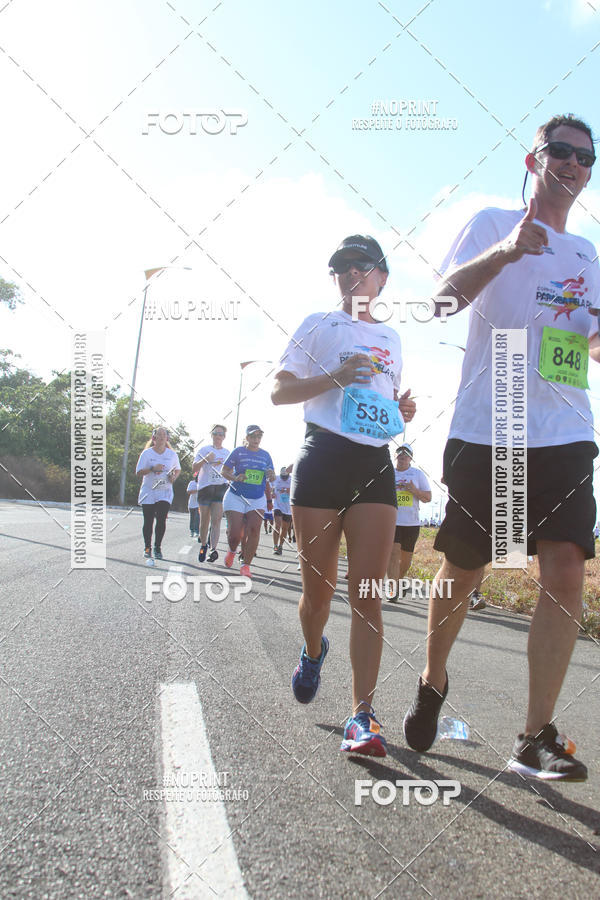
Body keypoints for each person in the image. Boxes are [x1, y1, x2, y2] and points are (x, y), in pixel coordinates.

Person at [403, 115, 600, 781]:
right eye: (562, 152)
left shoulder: (587, 257)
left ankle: (533, 735)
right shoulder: (491, 222)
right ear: (533, 158)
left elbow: (591, 341)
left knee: (566, 568)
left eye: (586, 157)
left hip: (566, 428)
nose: (574, 164)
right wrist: (509, 251)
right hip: (497, 422)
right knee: (465, 566)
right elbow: (439, 301)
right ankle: (433, 679)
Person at [272, 234, 416, 757]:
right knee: (318, 598)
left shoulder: (395, 339)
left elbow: (379, 403)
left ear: (383, 277)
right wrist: (331, 377)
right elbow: (279, 391)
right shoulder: (318, 325)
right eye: (341, 267)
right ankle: (313, 651)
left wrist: (402, 410)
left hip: (372, 463)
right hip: (322, 458)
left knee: (367, 594)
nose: (351, 273)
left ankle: (363, 716)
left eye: (362, 266)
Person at [221, 425, 275, 579]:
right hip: (236, 496)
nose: (256, 439)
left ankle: (246, 565)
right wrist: (235, 477)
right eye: (253, 436)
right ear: (247, 438)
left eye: (259, 436)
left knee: (254, 530)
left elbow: (271, 477)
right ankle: (232, 551)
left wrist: (272, 475)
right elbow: (224, 471)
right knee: (235, 534)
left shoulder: (266, 455)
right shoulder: (238, 452)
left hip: (257, 498)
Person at [387, 444, 431, 602]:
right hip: (392, 520)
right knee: (393, 553)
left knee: (406, 560)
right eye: (399, 453)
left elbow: (428, 498)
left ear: (411, 458)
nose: (402, 456)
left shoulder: (418, 474)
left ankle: (398, 582)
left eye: (406, 454)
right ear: (395, 456)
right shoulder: (388, 473)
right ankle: (392, 589)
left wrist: (414, 490)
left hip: (411, 523)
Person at [135, 426, 181, 560]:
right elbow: (138, 472)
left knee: (161, 519)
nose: (161, 438)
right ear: (153, 438)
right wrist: (152, 468)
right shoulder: (147, 454)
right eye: (158, 435)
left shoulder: (172, 454)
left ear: (167, 438)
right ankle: (147, 547)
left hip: (164, 491)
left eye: (164, 435)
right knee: (148, 521)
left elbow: (177, 469)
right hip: (149, 490)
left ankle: (157, 547)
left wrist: (173, 477)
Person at [193, 425, 230, 563]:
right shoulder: (204, 450)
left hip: (220, 486)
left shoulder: (227, 453)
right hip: (205, 487)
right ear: (212, 435)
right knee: (204, 520)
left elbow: (230, 471)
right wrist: (206, 459)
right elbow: (194, 468)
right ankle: (203, 546)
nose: (218, 436)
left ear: (224, 437)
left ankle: (213, 549)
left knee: (216, 520)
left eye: (221, 434)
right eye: (215, 433)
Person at [272, 465, 294, 555]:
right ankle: (275, 545)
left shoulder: (292, 479)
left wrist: (288, 490)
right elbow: (269, 486)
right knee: (277, 525)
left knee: (285, 528)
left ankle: (280, 546)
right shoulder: (276, 478)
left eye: (286, 477)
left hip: (288, 507)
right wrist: (272, 493)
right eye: (283, 477)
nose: (284, 479)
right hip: (277, 505)